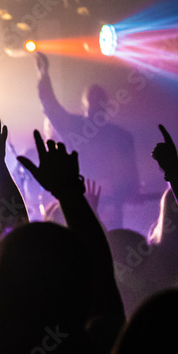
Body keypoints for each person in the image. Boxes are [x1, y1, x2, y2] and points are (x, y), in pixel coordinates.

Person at [35, 52, 139, 227]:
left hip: (105, 206)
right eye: (94, 98)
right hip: (81, 201)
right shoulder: (76, 127)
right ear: (85, 104)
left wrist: (126, 191)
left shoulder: (121, 136)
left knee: (104, 238)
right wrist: (43, 75)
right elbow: (50, 106)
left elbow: (131, 180)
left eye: (100, 99)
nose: (97, 102)